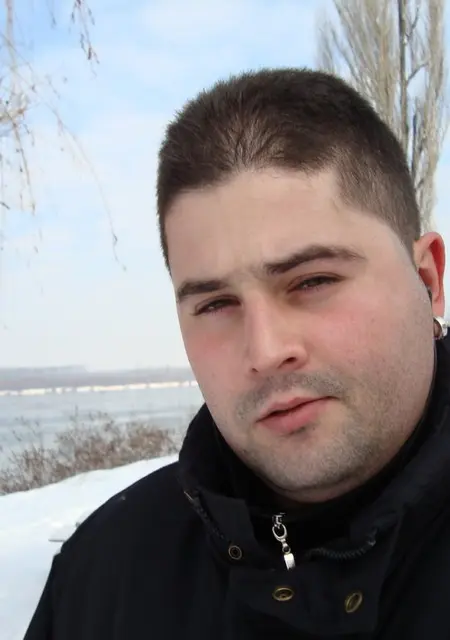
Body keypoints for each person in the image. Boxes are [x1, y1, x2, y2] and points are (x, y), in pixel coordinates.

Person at [24, 67, 450, 640]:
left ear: (427, 280)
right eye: (216, 304)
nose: (266, 351)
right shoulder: (104, 577)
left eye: (313, 281)